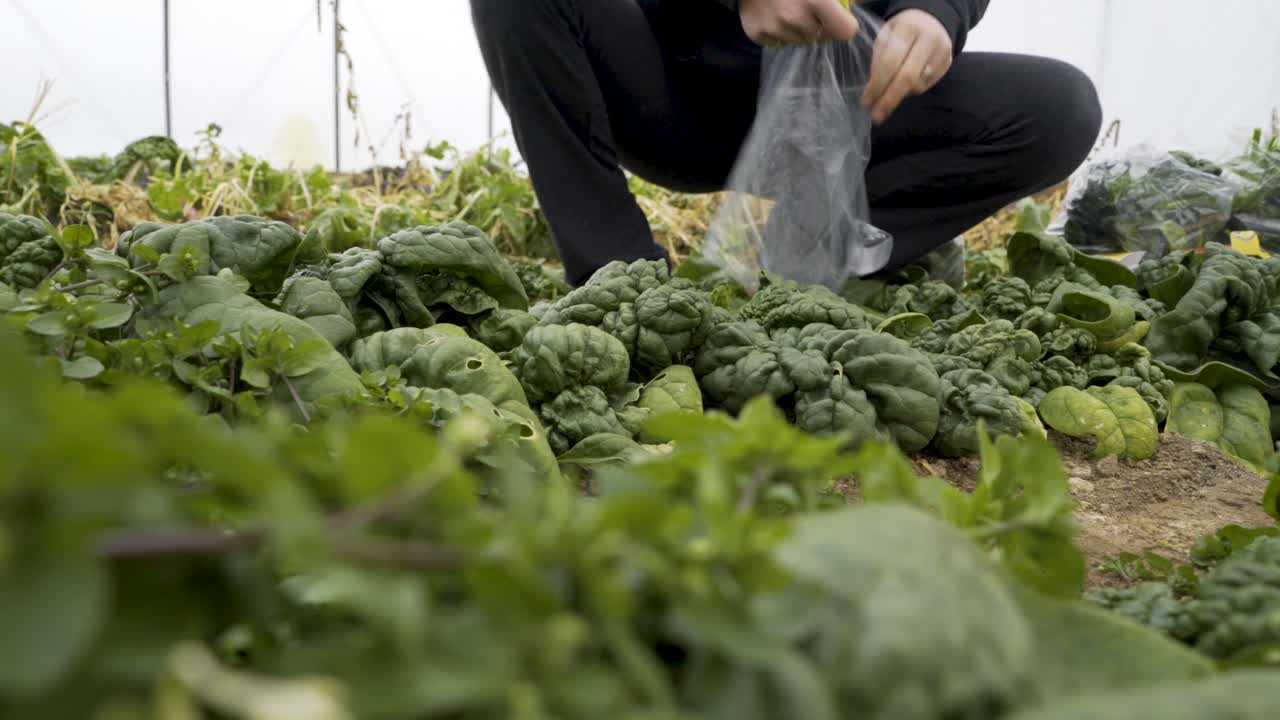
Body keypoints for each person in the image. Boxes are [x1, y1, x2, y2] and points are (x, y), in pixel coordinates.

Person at [469, 0, 1103, 287]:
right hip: (680, 98)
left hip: (858, 107)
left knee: (1061, 107)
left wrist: (936, 13)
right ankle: (621, 281)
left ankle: (816, 254)